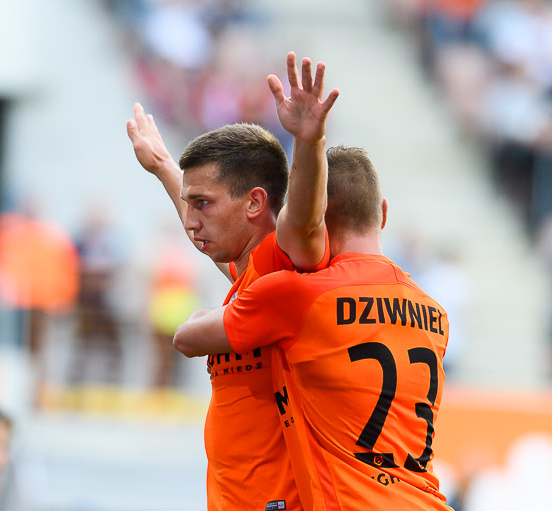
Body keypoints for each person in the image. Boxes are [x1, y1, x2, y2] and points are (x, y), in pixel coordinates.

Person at [174, 146, 453, 510]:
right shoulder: (435, 313)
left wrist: (308, 138)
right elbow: (247, 276)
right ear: (383, 213)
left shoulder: (304, 295)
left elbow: (192, 335)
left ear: (313, 219)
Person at [127, 52, 338, 509]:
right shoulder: (254, 276)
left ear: (255, 203)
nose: (191, 221)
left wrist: (309, 142)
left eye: (203, 204)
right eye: (190, 204)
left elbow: (303, 221)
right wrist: (163, 165)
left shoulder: (287, 262)